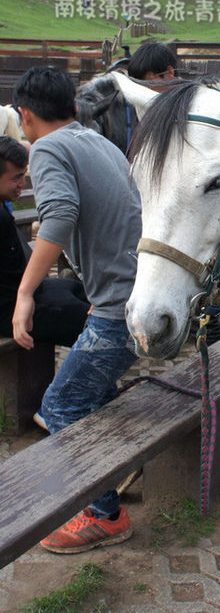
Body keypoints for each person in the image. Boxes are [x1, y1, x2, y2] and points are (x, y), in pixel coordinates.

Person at [12, 66, 141, 553]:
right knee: (96, 395)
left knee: (60, 406)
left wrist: (25, 294)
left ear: (25, 115)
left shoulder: (47, 148)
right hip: (133, 296)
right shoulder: (98, 141)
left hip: (119, 306)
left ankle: (104, 513)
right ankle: (119, 468)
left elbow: (60, 216)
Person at [127, 42, 220, 346]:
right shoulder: (153, 110)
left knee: (215, 261)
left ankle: (210, 321)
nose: (142, 90)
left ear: (168, 73)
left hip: (200, 209)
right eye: (136, 84)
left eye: (147, 82)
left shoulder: (195, 110)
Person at [0, 136, 89, 352]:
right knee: (91, 322)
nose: (22, 183)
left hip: (23, 291)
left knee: (81, 291)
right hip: (8, 309)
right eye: (16, 178)